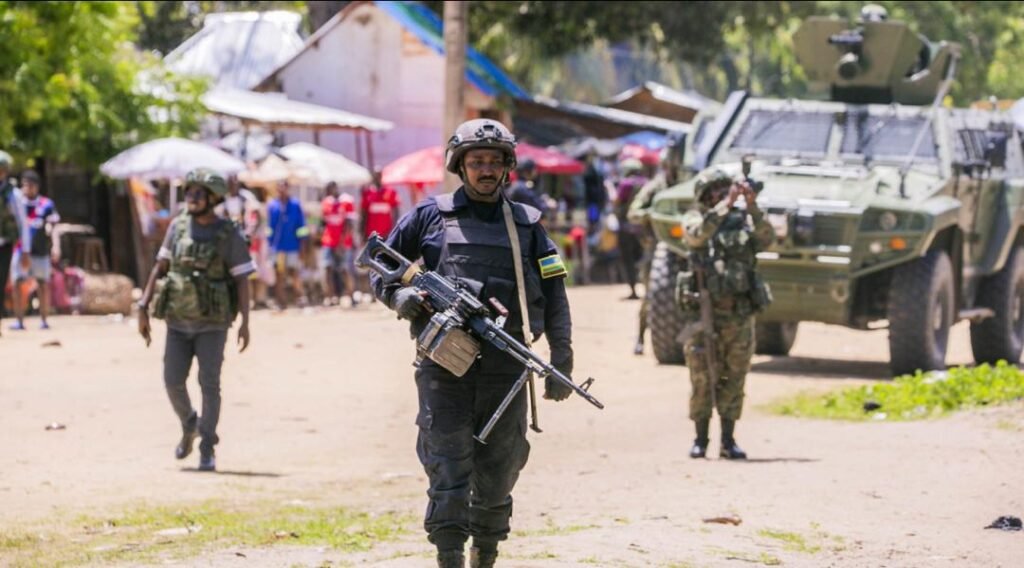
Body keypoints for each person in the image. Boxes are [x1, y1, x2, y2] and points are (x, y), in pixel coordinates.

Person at [371, 119, 574, 568]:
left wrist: (563, 358)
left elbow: (556, 292)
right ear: (460, 166)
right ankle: (449, 557)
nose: (485, 170)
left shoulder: (528, 225)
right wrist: (399, 295)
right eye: (476, 162)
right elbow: (380, 262)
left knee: (500, 471)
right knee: (447, 466)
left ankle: (486, 553)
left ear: (507, 168)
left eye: (494, 162)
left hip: (507, 368)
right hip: (444, 366)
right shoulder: (429, 216)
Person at [137, 168, 254, 472]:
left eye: (197, 193)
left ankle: (206, 447)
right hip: (177, 320)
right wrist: (143, 306)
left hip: (213, 324)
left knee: (209, 384)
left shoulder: (228, 233)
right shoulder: (177, 227)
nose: (191, 198)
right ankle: (190, 423)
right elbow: (160, 267)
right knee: (172, 380)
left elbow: (242, 280)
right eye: (189, 192)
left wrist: (245, 322)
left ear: (212, 198)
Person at [679, 169, 774, 461]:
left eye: (726, 190)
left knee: (735, 377)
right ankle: (700, 439)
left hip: (739, 315)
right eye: (717, 192)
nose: (724, 196)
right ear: (706, 196)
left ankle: (728, 440)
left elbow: (767, 239)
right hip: (705, 316)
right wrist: (724, 206)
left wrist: (751, 204)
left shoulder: (744, 221)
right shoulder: (696, 219)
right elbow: (696, 237)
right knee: (702, 377)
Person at [628, 131, 686, 354]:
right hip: (656, 250)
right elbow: (634, 212)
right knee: (651, 297)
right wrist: (654, 214)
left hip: (683, 249)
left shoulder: (685, 185)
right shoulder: (656, 187)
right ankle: (641, 337)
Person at [10, 169, 59, 330]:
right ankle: (19, 321)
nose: (27, 188)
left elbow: (53, 227)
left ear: (37, 186)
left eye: (30, 185)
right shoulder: (16, 203)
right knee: (17, 284)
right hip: (20, 250)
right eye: (25, 185)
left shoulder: (46, 205)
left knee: (43, 285)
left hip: (41, 252)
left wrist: (56, 246)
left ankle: (44, 320)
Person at [0, 151, 30, 337]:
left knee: (1, 282)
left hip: (5, 244)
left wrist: (26, 251)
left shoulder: (13, 194)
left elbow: (22, 223)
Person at [266, 181, 309, 309]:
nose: (282, 190)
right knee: (279, 274)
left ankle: (300, 298)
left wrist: (302, 246)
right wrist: (270, 245)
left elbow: (301, 226)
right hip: (277, 247)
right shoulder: (273, 206)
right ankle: (281, 302)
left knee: (294, 273)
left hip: (293, 246)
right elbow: (270, 228)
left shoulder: (295, 205)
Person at [614, 158, 648, 300]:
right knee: (643, 257)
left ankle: (633, 290)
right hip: (643, 228)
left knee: (628, 259)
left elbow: (617, 201)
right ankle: (647, 288)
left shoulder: (625, 184)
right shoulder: (646, 183)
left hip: (626, 228)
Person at [319, 181, 357, 306]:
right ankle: (329, 297)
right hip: (328, 242)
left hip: (344, 242)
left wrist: (341, 242)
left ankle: (351, 295)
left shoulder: (347, 201)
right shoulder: (326, 203)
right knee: (327, 268)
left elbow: (349, 224)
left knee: (345, 269)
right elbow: (323, 223)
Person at [359, 167, 400, 240]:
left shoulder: (390, 192)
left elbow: (396, 212)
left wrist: (394, 229)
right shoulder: (367, 193)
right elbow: (363, 214)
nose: (377, 178)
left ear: (381, 176)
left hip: (387, 233)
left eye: (378, 175)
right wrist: (362, 231)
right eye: (375, 176)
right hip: (371, 234)